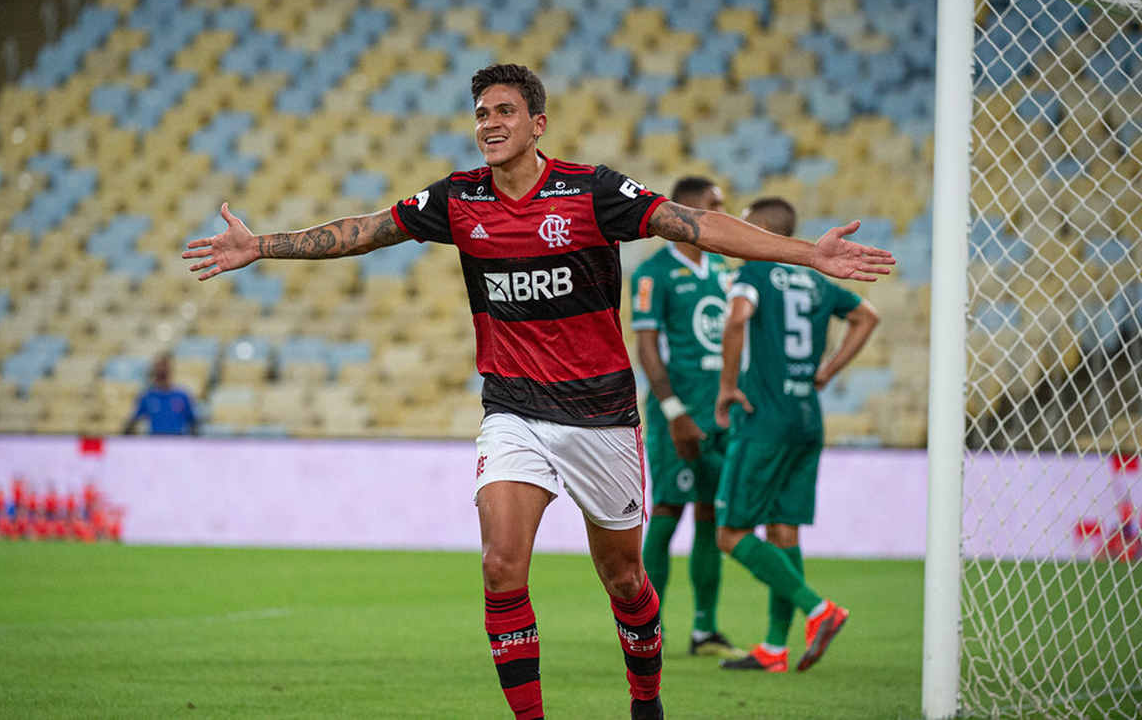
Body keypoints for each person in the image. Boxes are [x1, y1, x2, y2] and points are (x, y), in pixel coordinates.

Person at [183, 64, 893, 718]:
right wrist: (263, 244)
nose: (489, 122)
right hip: (514, 410)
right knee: (499, 565)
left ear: (537, 124)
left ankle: (646, 701)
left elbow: (697, 224)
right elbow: (366, 231)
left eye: (504, 111)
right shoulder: (458, 197)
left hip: (602, 418)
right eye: (481, 112)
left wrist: (809, 251)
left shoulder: (591, 191)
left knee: (624, 579)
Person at [714, 197, 881, 674]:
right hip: (807, 419)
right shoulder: (815, 279)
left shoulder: (752, 274)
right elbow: (868, 315)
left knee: (729, 533)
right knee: (782, 530)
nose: (740, 234)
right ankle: (773, 647)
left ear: (763, 229)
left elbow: (738, 319)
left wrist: (727, 387)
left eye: (745, 224)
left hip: (763, 419)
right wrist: (827, 371)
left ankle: (819, 609)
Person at [629, 176, 744, 660]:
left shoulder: (723, 270)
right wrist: (674, 412)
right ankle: (643, 628)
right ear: (690, 207)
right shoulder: (653, 273)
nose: (721, 210)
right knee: (669, 511)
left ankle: (704, 628)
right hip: (677, 415)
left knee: (709, 514)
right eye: (714, 204)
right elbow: (648, 348)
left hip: (720, 416)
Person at [122, 354, 198, 436]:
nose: (161, 369)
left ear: (170, 368)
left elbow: (193, 422)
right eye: (158, 366)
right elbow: (133, 420)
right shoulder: (147, 396)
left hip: (177, 442)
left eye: (164, 365)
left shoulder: (182, 396)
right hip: (155, 442)